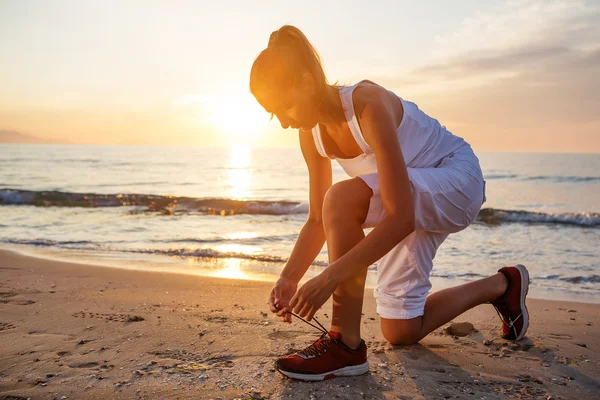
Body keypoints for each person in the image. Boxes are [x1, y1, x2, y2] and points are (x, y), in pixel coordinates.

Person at [249, 25, 530, 382]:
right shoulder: (311, 135)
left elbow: (398, 219)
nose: (285, 122)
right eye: (275, 114)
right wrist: (289, 277)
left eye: (284, 106)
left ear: (306, 82)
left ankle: (344, 344)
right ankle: (504, 285)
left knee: (342, 198)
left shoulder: (368, 105)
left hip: (457, 181)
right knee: (401, 329)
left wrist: (329, 279)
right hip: (410, 194)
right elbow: (318, 221)